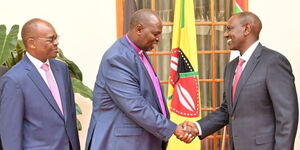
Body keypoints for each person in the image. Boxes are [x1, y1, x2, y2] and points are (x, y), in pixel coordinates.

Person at [181, 12, 298, 150]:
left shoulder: (273, 62)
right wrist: (198, 127)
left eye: (229, 28)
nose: (225, 34)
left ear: (247, 29)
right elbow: (227, 110)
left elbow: (287, 117)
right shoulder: (231, 67)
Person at [85, 9, 195, 150]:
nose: (158, 39)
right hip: (123, 143)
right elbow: (135, 105)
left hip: (139, 141)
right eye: (155, 34)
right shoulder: (117, 58)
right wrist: (173, 128)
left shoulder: (138, 53)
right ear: (139, 29)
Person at [0, 18, 80, 150]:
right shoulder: (14, 80)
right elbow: (11, 135)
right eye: (51, 39)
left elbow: (70, 116)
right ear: (32, 43)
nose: (56, 43)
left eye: (56, 38)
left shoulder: (62, 69)